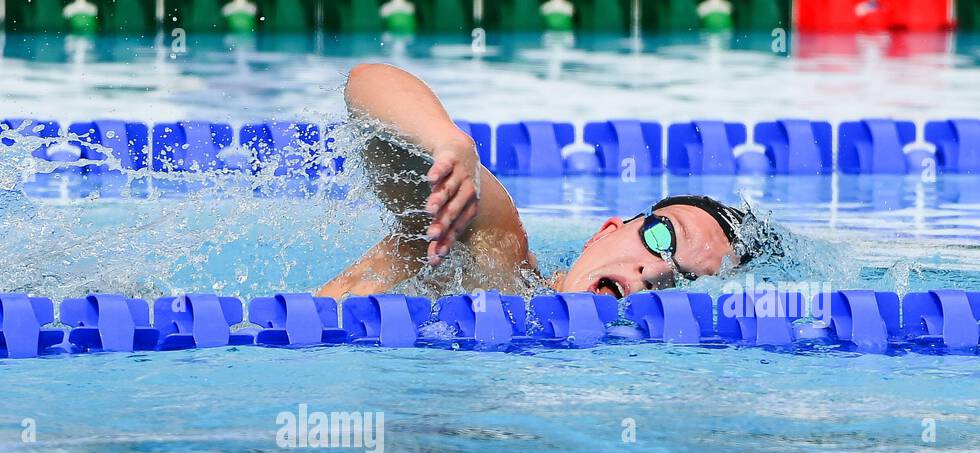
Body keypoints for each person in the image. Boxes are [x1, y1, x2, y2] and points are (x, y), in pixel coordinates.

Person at [317, 63, 761, 301]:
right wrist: (447, 142)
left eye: (686, 281)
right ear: (604, 232)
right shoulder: (498, 260)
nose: (658, 270)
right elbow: (368, 82)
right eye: (663, 236)